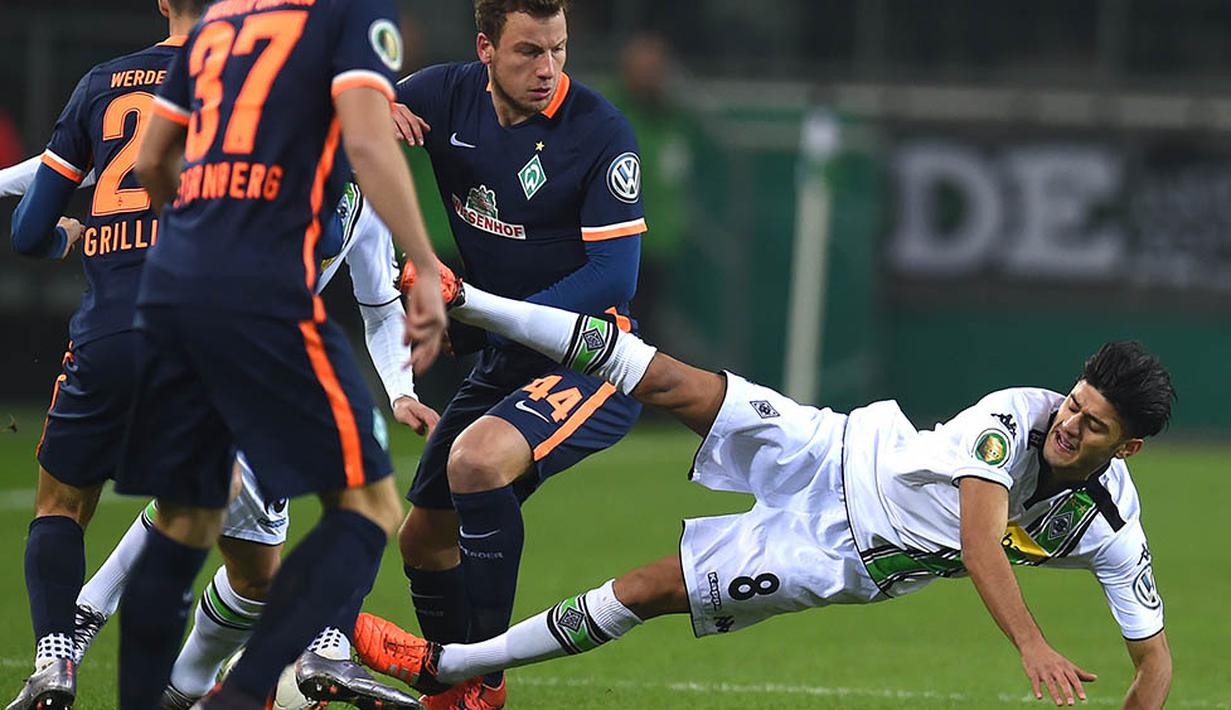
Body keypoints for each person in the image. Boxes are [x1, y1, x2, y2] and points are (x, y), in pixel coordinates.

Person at [355, 265, 1176, 710]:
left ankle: (451, 667)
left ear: (1126, 447)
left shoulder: (1108, 526)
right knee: (674, 381)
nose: (1068, 423)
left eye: (1092, 426)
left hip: (838, 553)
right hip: (837, 445)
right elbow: (976, 538)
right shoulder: (1015, 415)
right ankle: (475, 298)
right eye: (1075, 402)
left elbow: (1155, 666)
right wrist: (1032, 644)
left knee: (648, 590)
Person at [123, 0, 446, 706]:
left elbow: (152, 158)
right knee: (367, 507)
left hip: (173, 281)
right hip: (264, 288)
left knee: (186, 517)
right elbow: (366, 142)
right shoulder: (349, 15)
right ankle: (248, 691)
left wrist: (201, 239)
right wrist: (421, 260)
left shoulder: (220, 19)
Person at [365, 2, 647, 707]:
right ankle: (444, 692)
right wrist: (375, 107)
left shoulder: (600, 132)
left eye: (557, 49)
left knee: (476, 461)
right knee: (423, 541)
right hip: (504, 355)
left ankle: (480, 678)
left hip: (592, 358)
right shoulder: (443, 96)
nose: (547, 69)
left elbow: (612, 278)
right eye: (528, 52)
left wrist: (478, 315)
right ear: (485, 48)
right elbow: (342, 108)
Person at [4, 3, 209, 708]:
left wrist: (72, 233)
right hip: (208, 333)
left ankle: (55, 658)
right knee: (210, 519)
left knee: (61, 504)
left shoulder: (102, 83)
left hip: (111, 331)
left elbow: (29, 234)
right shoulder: (248, 82)